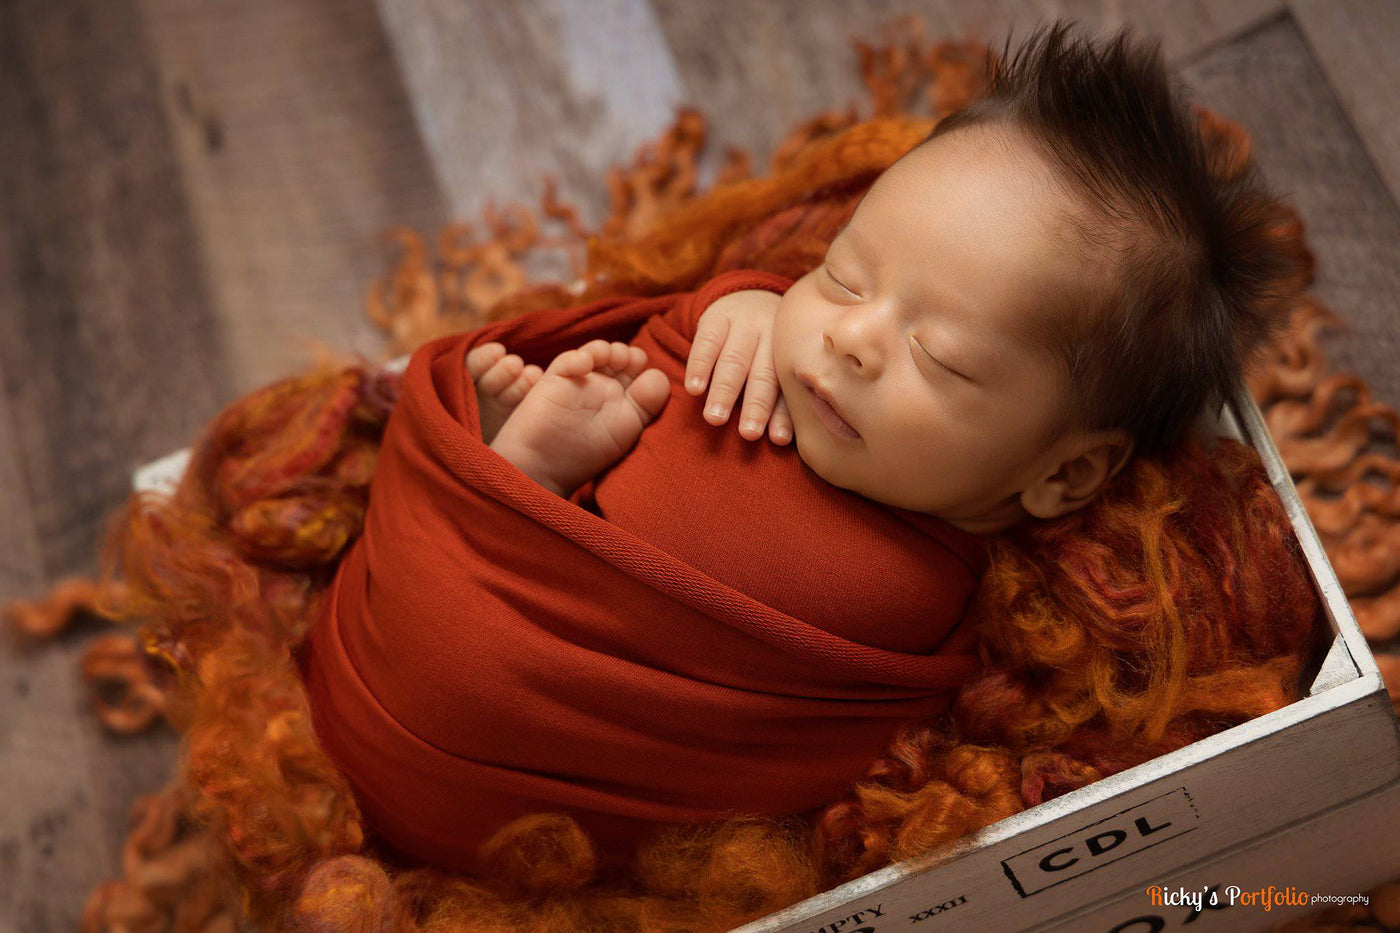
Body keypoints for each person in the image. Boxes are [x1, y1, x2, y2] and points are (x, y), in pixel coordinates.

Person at [298, 20, 1304, 873]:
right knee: (542, 439)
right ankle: (523, 473)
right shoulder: (765, 338)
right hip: (443, 609)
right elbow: (678, 325)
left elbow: (816, 760)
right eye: (845, 275)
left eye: (941, 360)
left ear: (1061, 473)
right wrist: (734, 304)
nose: (851, 339)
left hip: (514, 789)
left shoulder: (924, 594)